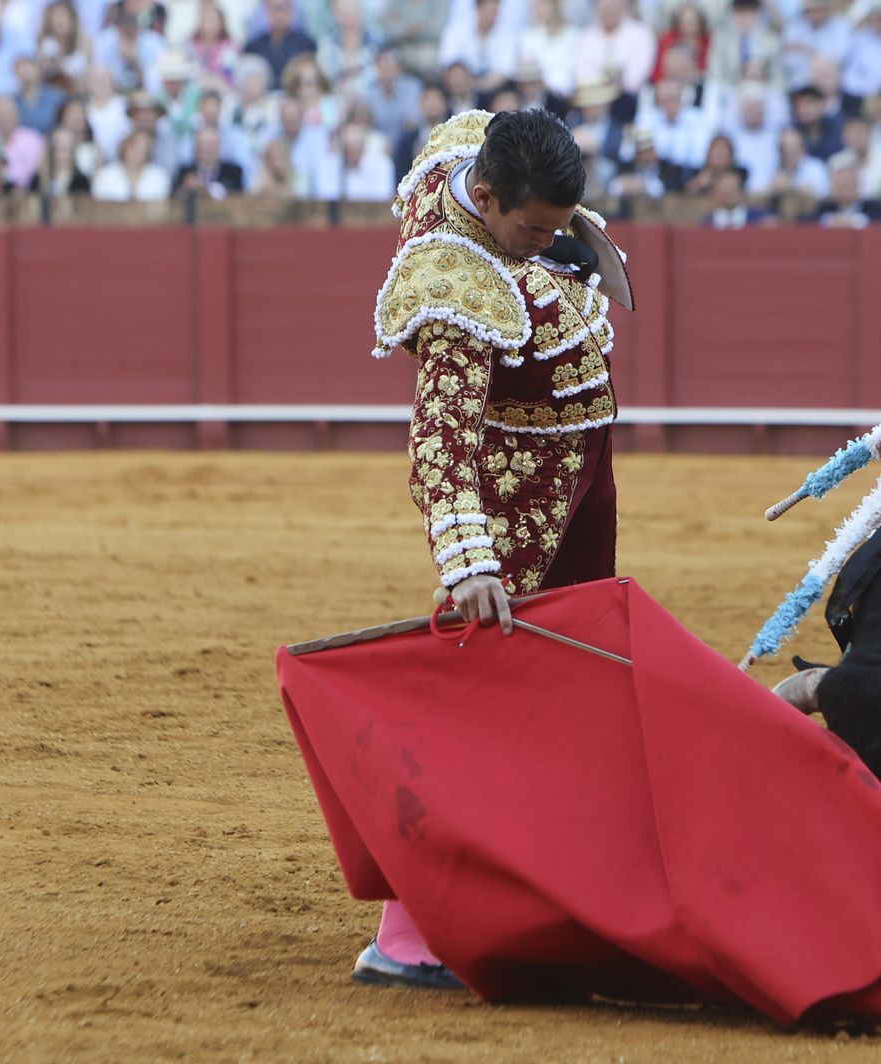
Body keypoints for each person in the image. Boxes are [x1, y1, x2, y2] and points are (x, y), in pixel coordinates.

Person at [360, 107, 634, 990]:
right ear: (483, 199)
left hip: (580, 470)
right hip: (518, 493)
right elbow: (440, 442)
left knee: (579, 671)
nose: (548, 244)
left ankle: (551, 873)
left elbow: (469, 135)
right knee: (477, 696)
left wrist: (550, 237)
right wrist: (470, 560)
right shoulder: (452, 284)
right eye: (533, 230)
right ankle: (407, 933)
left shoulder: (470, 150)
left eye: (558, 226)